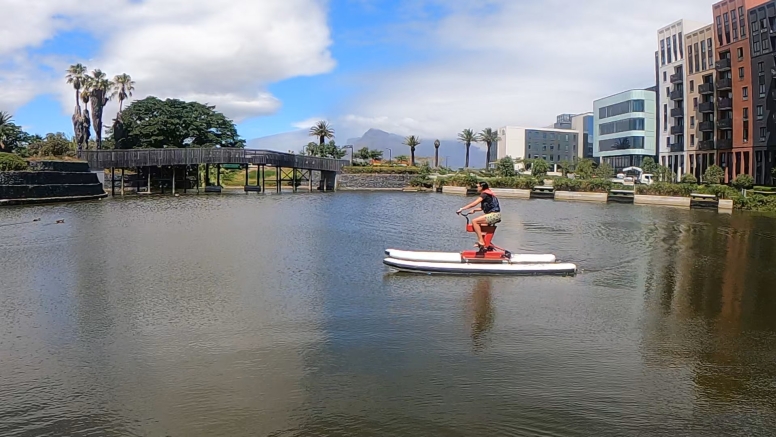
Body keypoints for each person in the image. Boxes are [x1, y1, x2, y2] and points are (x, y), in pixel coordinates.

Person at [456, 181, 501, 249]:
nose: (477, 188)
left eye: (478, 186)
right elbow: (484, 207)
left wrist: (462, 209)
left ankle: (481, 241)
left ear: (481, 187)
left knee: (474, 221)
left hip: (494, 215)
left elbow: (474, 204)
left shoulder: (484, 194)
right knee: (481, 226)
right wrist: (474, 210)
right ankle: (484, 245)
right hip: (495, 215)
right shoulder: (488, 194)